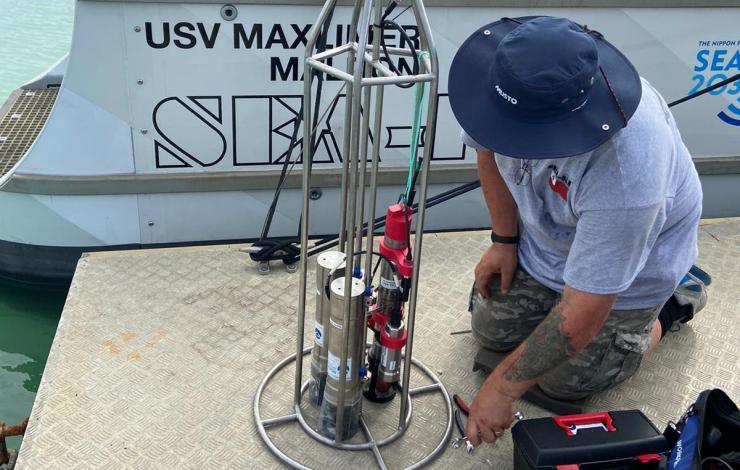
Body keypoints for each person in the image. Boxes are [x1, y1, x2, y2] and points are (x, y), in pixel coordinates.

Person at [447, 16, 708, 447]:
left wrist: (501, 389)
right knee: (490, 330)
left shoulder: (629, 170)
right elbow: (486, 151)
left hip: (630, 276)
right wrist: (504, 241)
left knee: (565, 384)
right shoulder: (502, 84)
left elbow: (583, 311)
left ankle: (675, 304)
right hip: (547, 243)